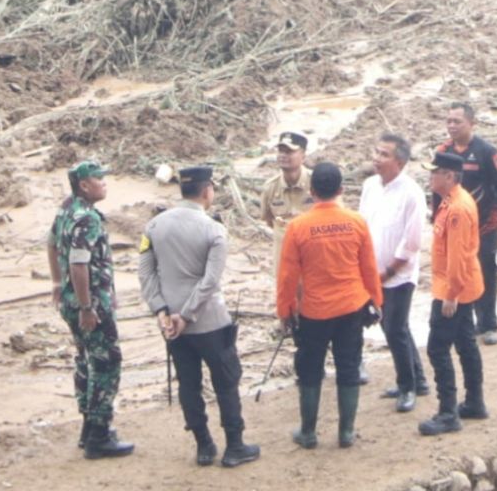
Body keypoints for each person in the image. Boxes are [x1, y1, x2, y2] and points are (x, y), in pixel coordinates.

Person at [138, 165, 260, 468]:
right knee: (226, 382)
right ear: (208, 191)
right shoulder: (214, 229)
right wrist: (188, 314)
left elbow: (146, 274)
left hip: (172, 327)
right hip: (210, 322)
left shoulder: (154, 226)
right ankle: (235, 446)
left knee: (188, 385)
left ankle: (204, 446)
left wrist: (163, 311)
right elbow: (210, 281)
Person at [277, 162, 383, 449]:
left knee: (309, 370)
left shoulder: (298, 227)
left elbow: (287, 276)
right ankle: (346, 432)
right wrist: (376, 301)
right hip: (351, 307)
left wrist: (285, 311)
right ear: (341, 189)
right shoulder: (357, 222)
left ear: (312, 192)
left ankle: (308, 433)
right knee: (349, 368)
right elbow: (369, 269)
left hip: (314, 311)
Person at [46, 159, 134, 459]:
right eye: (99, 179)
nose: (104, 182)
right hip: (89, 303)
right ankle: (99, 433)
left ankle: (88, 426)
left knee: (85, 359)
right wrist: (87, 306)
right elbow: (79, 262)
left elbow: (51, 243)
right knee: (107, 362)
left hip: (73, 300)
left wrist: (58, 283)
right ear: (85, 185)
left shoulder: (67, 208)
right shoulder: (87, 218)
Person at [358, 134, 430, 413]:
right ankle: (419, 379)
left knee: (394, 329)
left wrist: (387, 273)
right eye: (376, 152)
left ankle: (407, 386)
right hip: (373, 272)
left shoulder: (411, 193)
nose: (377, 158)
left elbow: (411, 243)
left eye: (384, 154)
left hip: (398, 275)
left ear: (399, 162)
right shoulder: (369, 186)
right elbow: (362, 227)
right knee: (395, 326)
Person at [419, 151, 486, 437]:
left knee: (437, 348)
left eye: (435, 172)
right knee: (466, 344)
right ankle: (474, 402)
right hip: (463, 286)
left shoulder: (457, 208)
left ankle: (448, 412)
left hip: (453, 289)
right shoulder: (455, 201)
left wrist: (450, 295)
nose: (430, 176)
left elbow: (458, 256)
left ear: (449, 176)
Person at [436, 102, 497, 345]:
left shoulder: (487, 152)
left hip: (485, 224)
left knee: (485, 272)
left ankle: (488, 324)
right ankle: (464, 323)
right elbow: (436, 187)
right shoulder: (443, 151)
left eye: (457, 121)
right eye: (448, 121)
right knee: (456, 269)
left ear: (471, 123)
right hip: (455, 224)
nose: (451, 126)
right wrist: (435, 218)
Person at [259, 132, 314, 275]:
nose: (283, 155)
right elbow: (269, 220)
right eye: (281, 151)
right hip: (284, 259)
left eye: (289, 151)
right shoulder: (270, 187)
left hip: (313, 256)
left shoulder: (316, 183)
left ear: (303, 156)